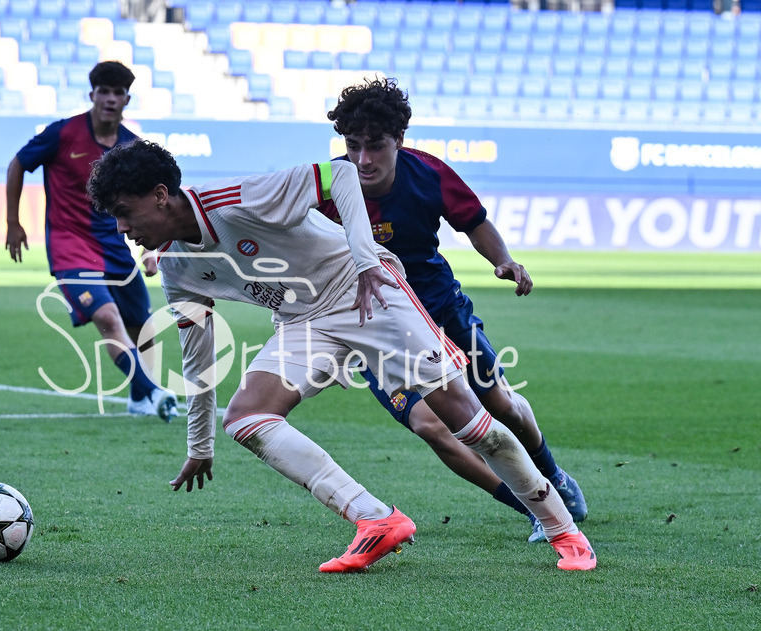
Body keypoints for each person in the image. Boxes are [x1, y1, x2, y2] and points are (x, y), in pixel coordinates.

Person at [87, 139, 597, 573]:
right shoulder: (175, 267)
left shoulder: (239, 198)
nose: (122, 228)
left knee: (470, 425)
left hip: (366, 290)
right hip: (305, 323)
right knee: (246, 418)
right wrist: (200, 445)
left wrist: (364, 256)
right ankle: (376, 518)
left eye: (124, 213)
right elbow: (197, 358)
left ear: (159, 196)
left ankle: (563, 530)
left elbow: (341, 175)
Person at [322, 77, 587, 544]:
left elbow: (474, 222)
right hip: (378, 325)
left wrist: (503, 261)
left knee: (498, 403)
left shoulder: (429, 173)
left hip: (441, 307)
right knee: (430, 424)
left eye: (376, 146)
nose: (363, 159)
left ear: (399, 141)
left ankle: (555, 478)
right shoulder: (327, 185)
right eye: (353, 145)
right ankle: (533, 504)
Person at [4, 61, 176, 421]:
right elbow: (18, 164)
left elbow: (152, 201)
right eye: (104, 92)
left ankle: (138, 398)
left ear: (127, 99)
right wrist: (13, 222)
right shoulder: (63, 134)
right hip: (69, 247)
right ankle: (154, 393)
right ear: (92, 95)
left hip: (113, 246)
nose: (111, 99)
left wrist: (149, 247)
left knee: (141, 326)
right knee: (109, 319)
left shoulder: (130, 146)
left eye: (118, 93)